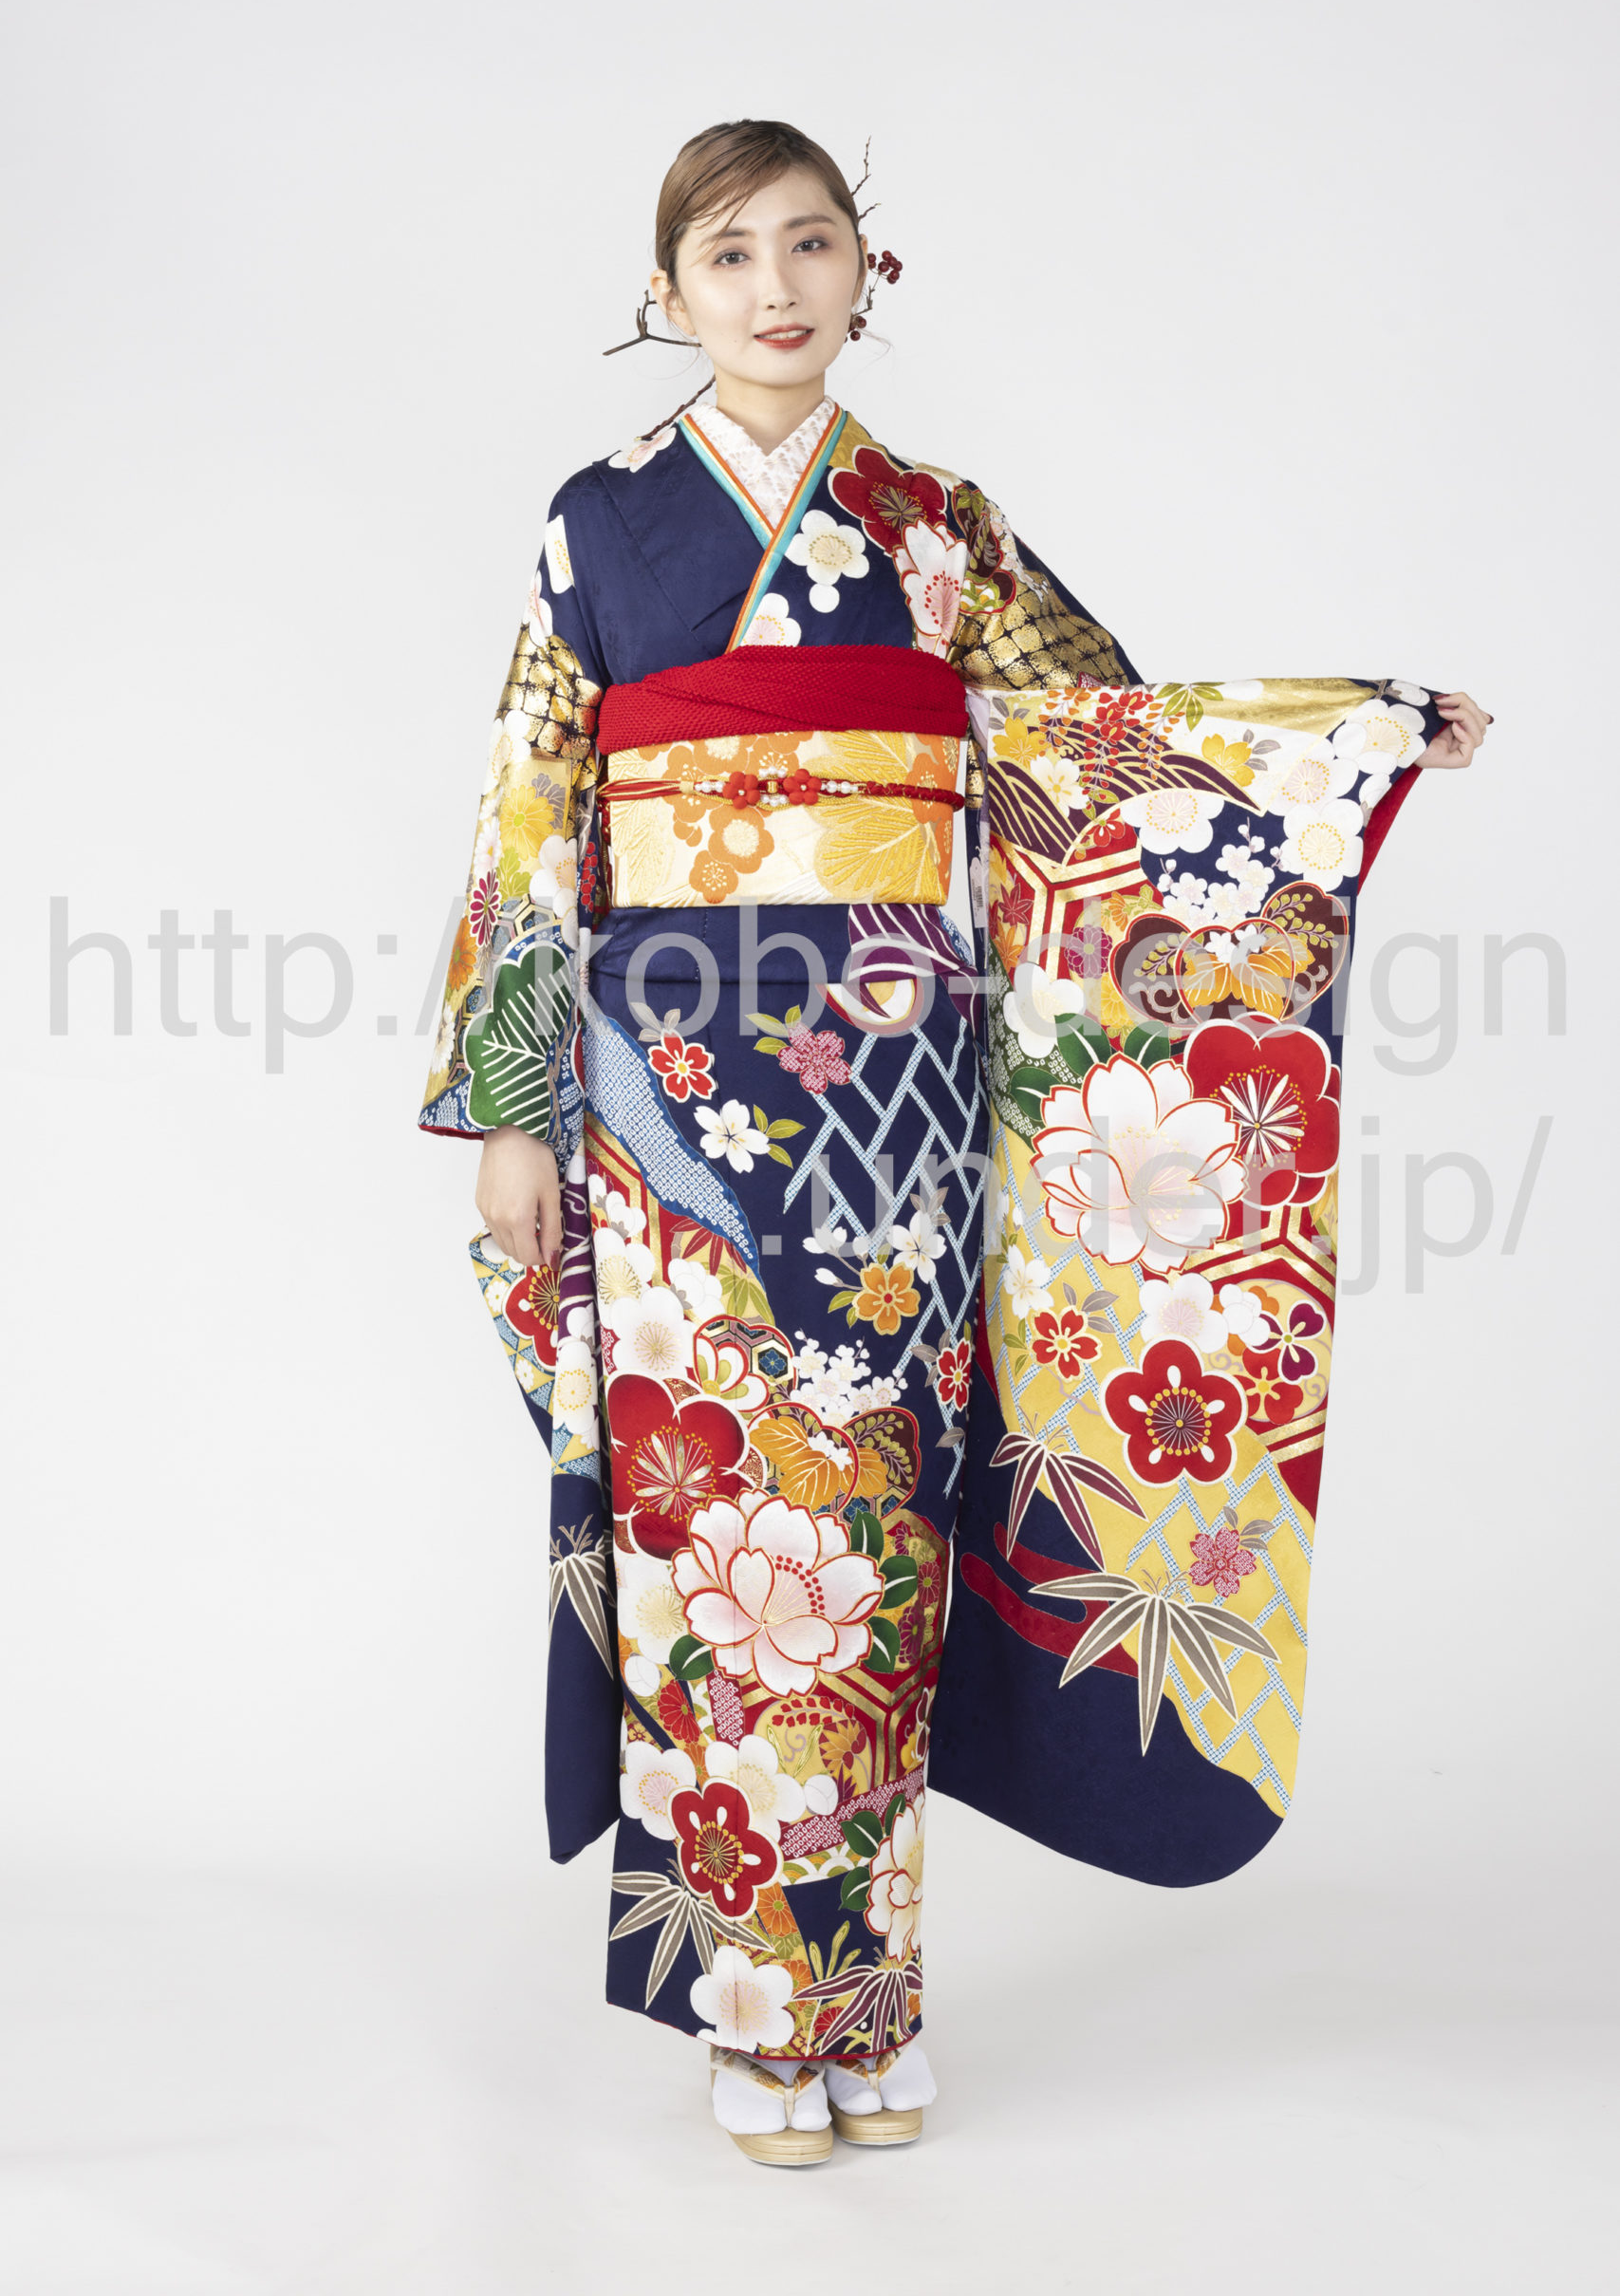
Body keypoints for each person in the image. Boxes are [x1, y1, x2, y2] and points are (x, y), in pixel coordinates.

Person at [419, 119, 1492, 2168]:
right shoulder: (598, 521)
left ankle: (874, 2001)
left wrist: (1356, 735)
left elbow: (1107, 751)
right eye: (728, 254)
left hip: (893, 1084)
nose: (774, 286)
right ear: (664, 292)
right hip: (663, 1097)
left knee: (879, 1522)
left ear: (865, 270)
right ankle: (762, 2020)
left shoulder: (936, 526)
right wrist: (514, 1110)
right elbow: (524, 820)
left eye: (810, 242)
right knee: (730, 1537)